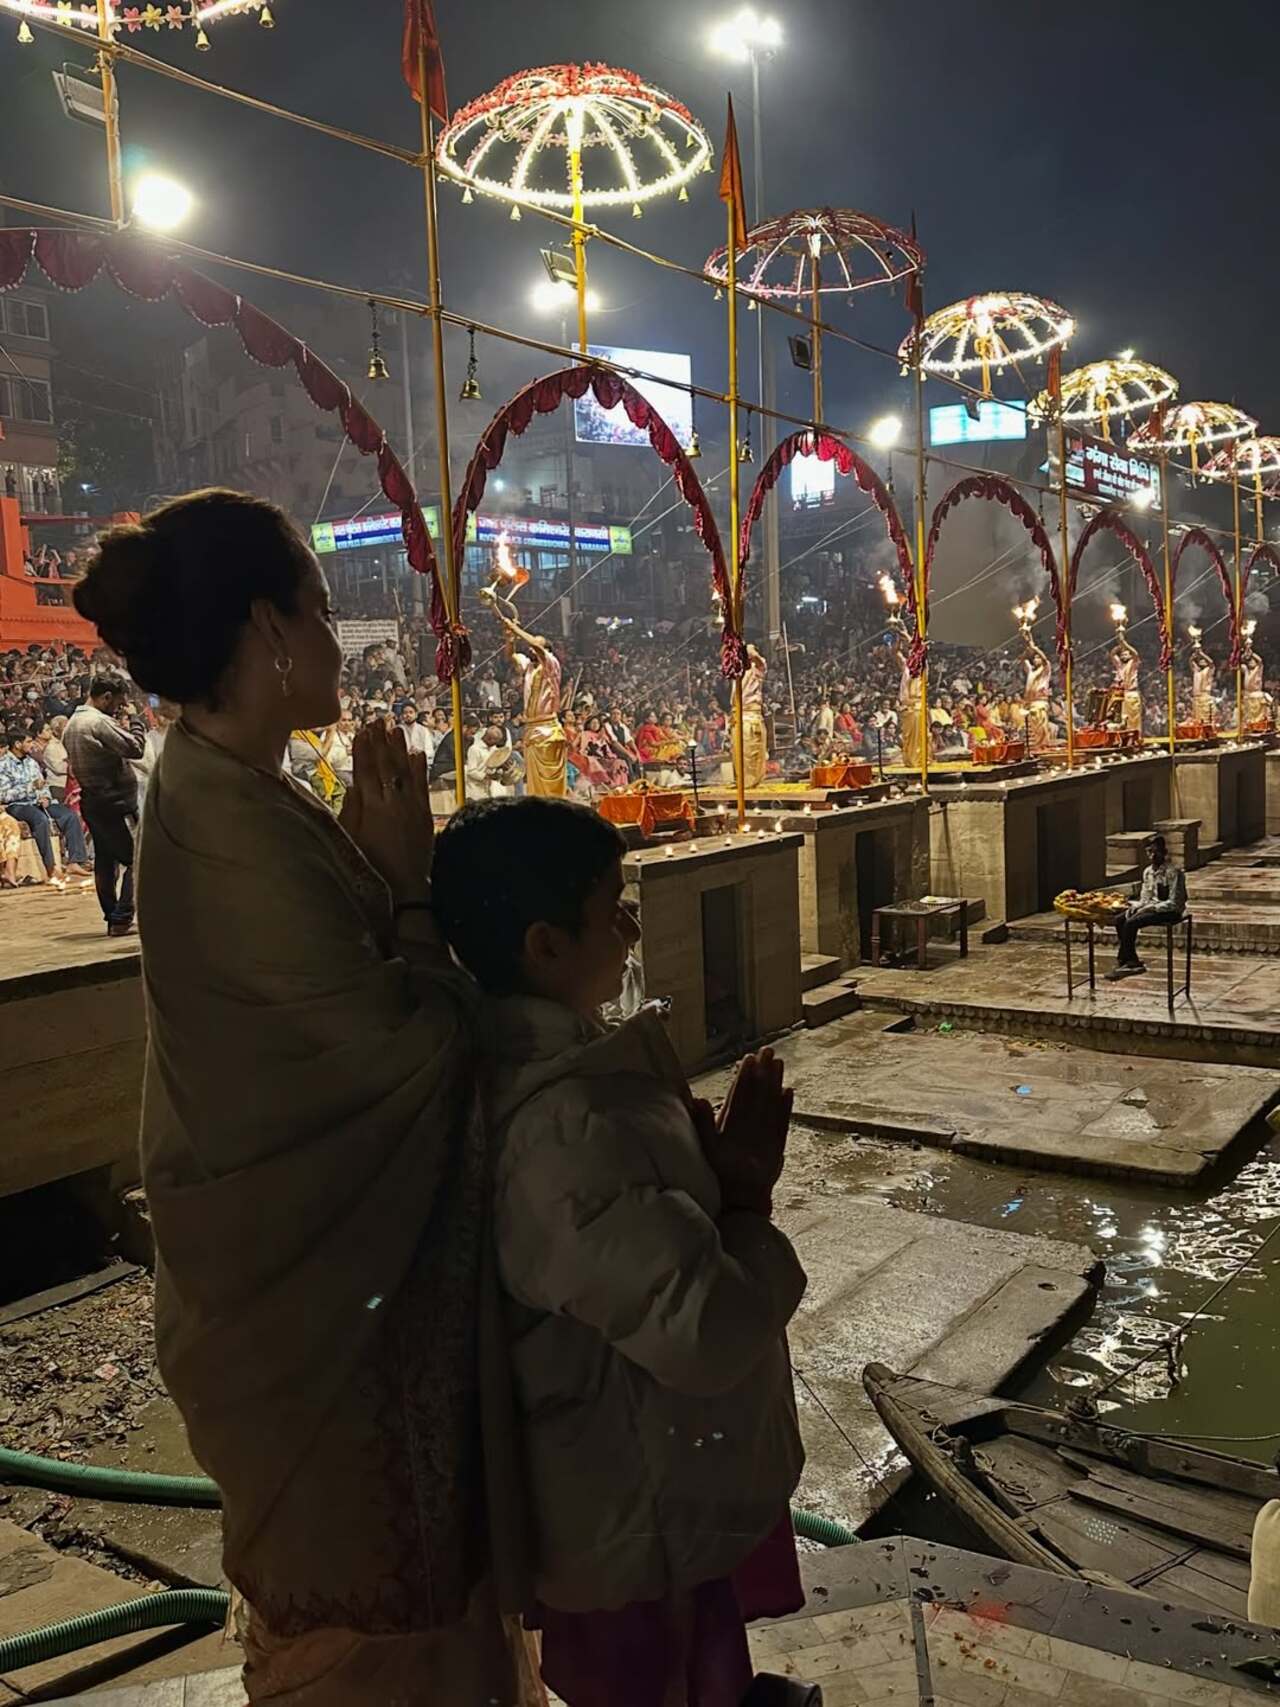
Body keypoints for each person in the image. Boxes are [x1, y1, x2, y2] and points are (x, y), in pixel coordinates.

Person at [71, 489, 540, 1706]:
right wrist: (409, 889)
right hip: (315, 1324)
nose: (340, 641)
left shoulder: (238, 790)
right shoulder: (226, 819)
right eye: (323, 612)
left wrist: (375, 873)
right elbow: (402, 1055)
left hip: (294, 1298)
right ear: (271, 631)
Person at [432, 797, 809, 1707]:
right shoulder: (563, 1131)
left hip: (650, 1490)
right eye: (612, 909)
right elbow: (706, 1331)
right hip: (632, 1520)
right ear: (545, 945)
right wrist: (748, 1200)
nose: (632, 928)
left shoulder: (578, 1077)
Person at [62, 676, 145, 934]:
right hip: (115, 802)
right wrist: (136, 720)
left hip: (93, 801)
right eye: (118, 703)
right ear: (106, 697)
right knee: (138, 860)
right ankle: (121, 917)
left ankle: (112, 916)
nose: (119, 708)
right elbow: (136, 748)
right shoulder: (97, 722)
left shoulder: (71, 724)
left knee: (105, 862)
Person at [484, 587, 567, 798]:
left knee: (549, 782)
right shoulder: (530, 666)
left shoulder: (551, 664)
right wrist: (510, 638)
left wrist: (515, 627)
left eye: (536, 644)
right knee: (534, 781)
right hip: (532, 729)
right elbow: (510, 656)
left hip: (548, 730)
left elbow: (535, 645)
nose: (531, 648)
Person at [0, 727, 90, 887]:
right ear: (18, 744)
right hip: (17, 805)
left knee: (69, 815)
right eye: (28, 742)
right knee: (40, 819)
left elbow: (43, 785)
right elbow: (4, 794)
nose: (32, 745)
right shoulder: (3, 765)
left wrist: (45, 796)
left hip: (37, 802)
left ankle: (75, 861)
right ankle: (50, 867)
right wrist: (30, 788)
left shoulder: (32, 763)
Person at [1107, 833, 1187, 980]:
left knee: (1132, 923)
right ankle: (1131, 959)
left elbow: (1174, 902)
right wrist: (1135, 907)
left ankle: (1125, 960)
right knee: (1120, 919)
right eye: (1149, 852)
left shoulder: (1173, 872)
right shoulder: (1148, 872)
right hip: (1151, 907)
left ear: (1164, 852)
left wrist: (1149, 908)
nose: (1152, 855)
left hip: (1169, 910)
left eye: (1156, 852)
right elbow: (1145, 897)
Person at [741, 643, 769, 788]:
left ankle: (752, 782)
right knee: (740, 752)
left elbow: (755, 657)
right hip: (738, 713)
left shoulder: (757, 667)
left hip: (751, 714)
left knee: (753, 751)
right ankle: (742, 782)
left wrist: (748, 648)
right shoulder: (737, 669)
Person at [1022, 633, 1052, 753]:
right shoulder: (1031, 672)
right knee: (1034, 727)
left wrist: (1034, 648)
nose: (1036, 660)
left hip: (1040, 702)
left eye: (1037, 658)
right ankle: (1037, 747)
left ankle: (1043, 746)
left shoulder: (1045, 669)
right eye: (1034, 658)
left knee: (1041, 725)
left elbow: (1045, 659)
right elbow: (1023, 659)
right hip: (1031, 702)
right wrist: (1028, 643)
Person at [1110, 628, 1141, 736]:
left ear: (1130, 656)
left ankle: (1136, 738)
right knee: (1122, 720)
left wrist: (1124, 642)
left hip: (1132, 694)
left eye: (1126, 654)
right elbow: (1112, 654)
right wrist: (1120, 643)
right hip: (1121, 695)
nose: (1123, 656)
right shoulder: (1119, 665)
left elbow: (1135, 653)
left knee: (1134, 719)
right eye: (1122, 655)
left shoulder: (1133, 662)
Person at [1189, 634, 1215, 728]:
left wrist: (1201, 653)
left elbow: (1211, 663)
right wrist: (1194, 654)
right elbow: (1191, 662)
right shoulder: (1197, 671)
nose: (1202, 661)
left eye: (1204, 660)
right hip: (1196, 698)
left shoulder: (1208, 670)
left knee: (1206, 720)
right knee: (1197, 720)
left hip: (1205, 697)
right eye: (1200, 660)